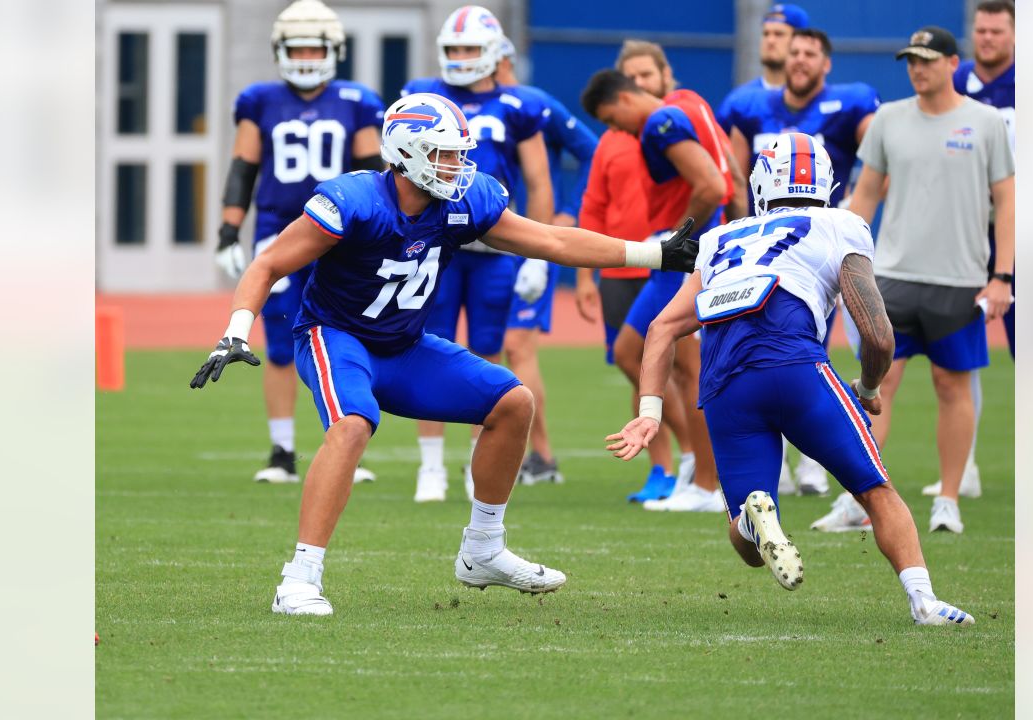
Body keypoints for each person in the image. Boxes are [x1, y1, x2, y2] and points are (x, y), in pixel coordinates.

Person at [189, 92, 700, 616]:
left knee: (513, 402)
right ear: (405, 154)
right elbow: (268, 264)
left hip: (404, 346)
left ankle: (483, 549)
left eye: (459, 154)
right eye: (443, 154)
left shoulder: (465, 199)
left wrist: (652, 252)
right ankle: (298, 578)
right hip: (336, 336)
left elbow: (551, 241)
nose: (457, 166)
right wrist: (236, 329)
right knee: (353, 425)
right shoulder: (353, 201)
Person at [606, 133, 975, 626]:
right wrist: (867, 388)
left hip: (724, 386)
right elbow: (879, 335)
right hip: (795, 367)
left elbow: (663, 328)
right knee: (875, 489)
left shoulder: (720, 238)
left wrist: (649, 413)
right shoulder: (839, 224)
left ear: (760, 183)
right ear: (825, 183)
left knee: (746, 540)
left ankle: (757, 516)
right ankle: (924, 602)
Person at [811, 26, 1014, 534]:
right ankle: (860, 497)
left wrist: (1002, 276)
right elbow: (865, 197)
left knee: (953, 386)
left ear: (951, 63)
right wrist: (838, 261)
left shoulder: (986, 122)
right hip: (892, 277)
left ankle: (948, 500)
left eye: (927, 59)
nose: (917, 68)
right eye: (911, 60)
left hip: (960, 278)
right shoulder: (887, 120)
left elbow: (1008, 200)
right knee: (876, 382)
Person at [214, 0, 384, 485]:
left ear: (334, 49)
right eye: (298, 47)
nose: (307, 57)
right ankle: (283, 451)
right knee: (283, 348)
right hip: (280, 230)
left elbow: (374, 174)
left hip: (341, 235)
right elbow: (242, 168)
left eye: (316, 47)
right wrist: (229, 229)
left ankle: (343, 444)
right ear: (279, 49)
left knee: (347, 341)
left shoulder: (357, 100)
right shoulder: (260, 100)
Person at [402, 6, 555, 503]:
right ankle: (430, 467)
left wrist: (539, 255)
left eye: (470, 49)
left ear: (492, 53)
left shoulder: (516, 103)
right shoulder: (422, 95)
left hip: (493, 246)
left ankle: (476, 464)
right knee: (426, 346)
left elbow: (538, 180)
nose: (461, 58)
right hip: (437, 243)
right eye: (454, 50)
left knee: (487, 352)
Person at [721, 26, 881, 496]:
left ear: (826, 63)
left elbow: (880, 163)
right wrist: (738, 231)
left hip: (815, 241)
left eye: (811, 53)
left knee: (805, 339)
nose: (800, 60)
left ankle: (809, 458)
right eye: (794, 52)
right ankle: (775, 459)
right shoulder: (749, 105)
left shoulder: (849, 103)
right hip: (757, 240)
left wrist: (849, 216)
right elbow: (733, 174)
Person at [581, 65, 734, 512]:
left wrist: (676, 235)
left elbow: (712, 184)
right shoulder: (682, 107)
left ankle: (707, 485)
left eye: (611, 119)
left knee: (689, 369)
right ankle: (693, 463)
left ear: (625, 100)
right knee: (630, 351)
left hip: (684, 259)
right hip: (670, 262)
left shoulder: (661, 122)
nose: (616, 129)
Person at [575, 41, 697, 499]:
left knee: (684, 366)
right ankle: (662, 469)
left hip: (665, 264)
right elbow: (594, 204)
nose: (641, 82)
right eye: (633, 76)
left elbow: (711, 182)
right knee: (638, 366)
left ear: (666, 76)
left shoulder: (674, 128)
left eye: (647, 74)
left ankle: (694, 461)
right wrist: (586, 276)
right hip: (619, 267)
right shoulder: (611, 139)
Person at [494, 37, 600, 486]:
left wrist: (568, 211)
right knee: (496, 343)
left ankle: (541, 456)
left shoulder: (531, 103)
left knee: (518, 344)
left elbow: (590, 150)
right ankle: (527, 455)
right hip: (488, 239)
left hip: (531, 236)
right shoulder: (455, 99)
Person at [922, 0, 1017, 500]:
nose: (987, 39)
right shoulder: (955, 91)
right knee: (960, 356)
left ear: (1015, 34)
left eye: (997, 31)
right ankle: (968, 465)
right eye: (980, 30)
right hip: (971, 238)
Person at [716, 3, 810, 130]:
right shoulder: (740, 101)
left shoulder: (816, 99)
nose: (770, 41)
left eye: (779, 34)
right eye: (766, 34)